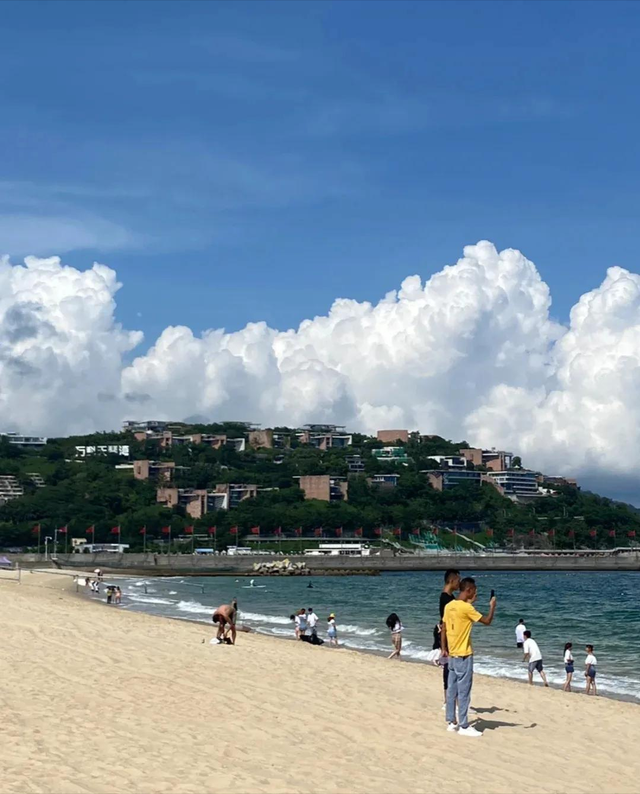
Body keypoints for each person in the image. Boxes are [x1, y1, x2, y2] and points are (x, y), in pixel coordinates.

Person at [442, 576, 496, 737]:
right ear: (469, 590)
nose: (475, 593)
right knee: (464, 692)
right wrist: (492, 606)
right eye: (474, 591)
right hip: (464, 655)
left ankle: (451, 722)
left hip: (452, 655)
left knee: (452, 690)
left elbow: (444, 627)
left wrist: (444, 648)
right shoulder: (466, 609)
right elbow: (487, 621)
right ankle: (464, 725)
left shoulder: (450, 605)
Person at [437, 569, 461, 707]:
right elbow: (445, 622)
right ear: (451, 580)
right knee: (449, 668)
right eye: (458, 580)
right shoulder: (445, 598)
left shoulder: (449, 597)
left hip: (449, 636)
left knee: (451, 667)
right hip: (448, 636)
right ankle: (448, 700)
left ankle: (450, 699)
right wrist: (444, 646)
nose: (459, 583)